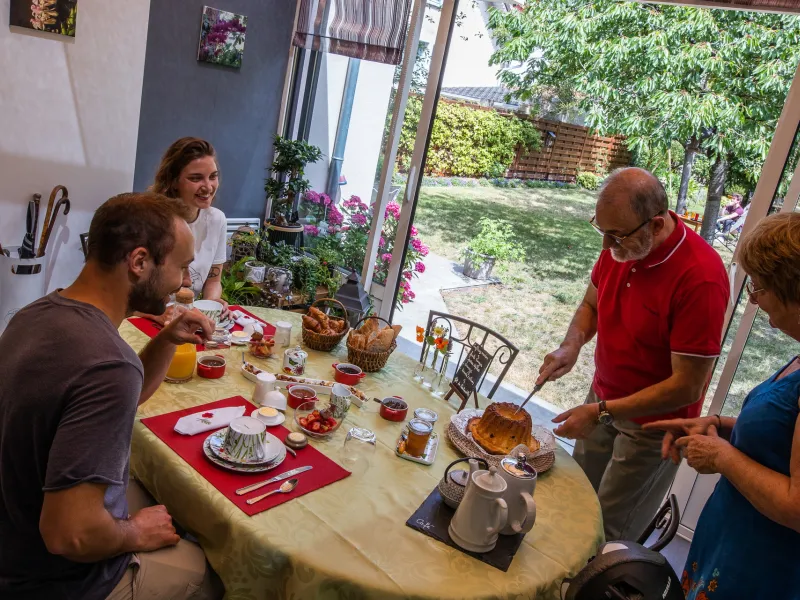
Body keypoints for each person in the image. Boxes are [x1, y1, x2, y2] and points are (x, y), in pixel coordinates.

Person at [0, 193, 221, 600]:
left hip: (13, 537)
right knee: (213, 568)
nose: (185, 283)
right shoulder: (108, 365)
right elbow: (70, 535)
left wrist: (167, 339)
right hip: (54, 580)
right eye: (182, 267)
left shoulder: (35, 314)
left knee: (163, 496)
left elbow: (102, 402)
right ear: (139, 262)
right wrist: (133, 531)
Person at [537, 167, 729, 542]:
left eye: (617, 235)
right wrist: (571, 345)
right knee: (573, 504)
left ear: (656, 226)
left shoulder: (700, 278)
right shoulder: (622, 243)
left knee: (606, 534)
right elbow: (591, 304)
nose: (607, 245)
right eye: (602, 231)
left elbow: (687, 387)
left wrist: (601, 411)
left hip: (653, 428)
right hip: (603, 400)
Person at [645, 213, 800, 599]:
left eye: (760, 287)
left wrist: (721, 456)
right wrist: (719, 423)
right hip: (733, 538)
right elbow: (784, 433)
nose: (753, 299)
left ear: (792, 291)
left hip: (763, 566)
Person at [145, 137, 229, 324]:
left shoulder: (217, 220)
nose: (208, 187)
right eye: (195, 178)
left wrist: (212, 304)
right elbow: (124, 292)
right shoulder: (151, 221)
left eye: (213, 176)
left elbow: (214, 281)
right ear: (173, 181)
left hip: (186, 319)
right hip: (149, 319)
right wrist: (157, 314)